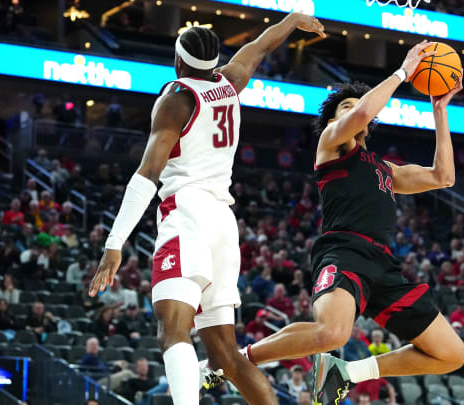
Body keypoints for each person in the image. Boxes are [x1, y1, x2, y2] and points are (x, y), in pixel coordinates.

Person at [88, 13, 326, 405]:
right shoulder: (230, 82)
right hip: (222, 224)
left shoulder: (175, 100)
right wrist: (293, 20)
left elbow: (148, 173)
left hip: (188, 218)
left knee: (173, 332)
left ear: (179, 62)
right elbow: (261, 46)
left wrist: (114, 243)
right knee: (226, 356)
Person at [226, 40, 464, 404]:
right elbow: (359, 115)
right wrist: (402, 72)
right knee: (332, 333)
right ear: (337, 118)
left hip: (383, 267)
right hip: (344, 250)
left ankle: (347, 372)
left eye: (357, 105)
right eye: (347, 106)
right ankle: (237, 361)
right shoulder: (331, 143)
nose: (355, 111)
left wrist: (439, 110)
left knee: (451, 354)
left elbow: (442, 177)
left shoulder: (385, 170)